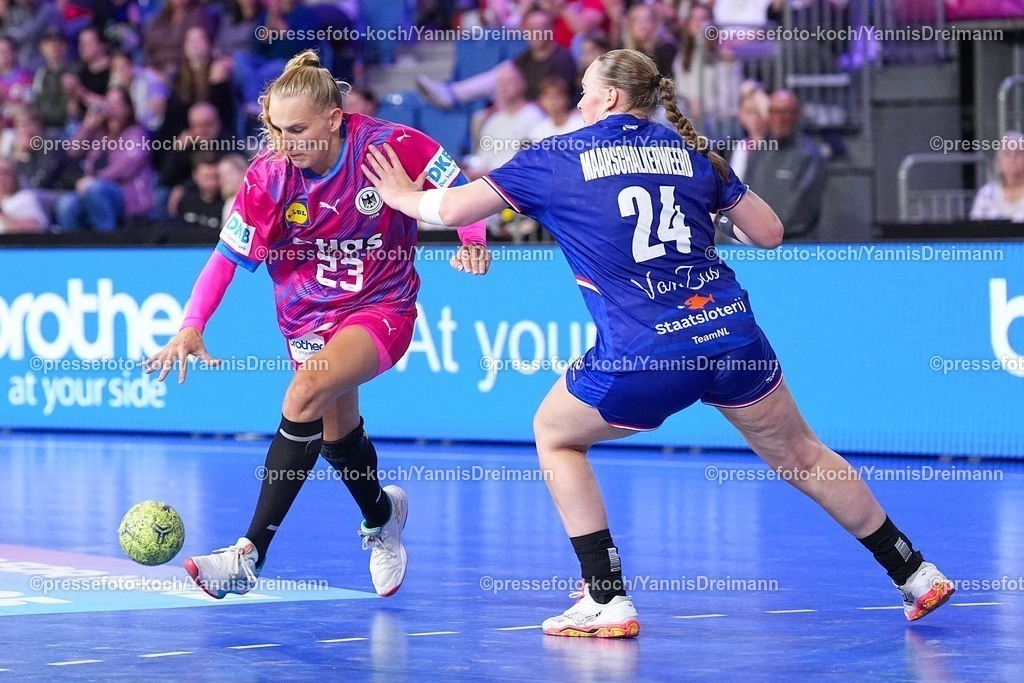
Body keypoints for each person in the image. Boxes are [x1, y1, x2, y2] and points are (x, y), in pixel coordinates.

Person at [361, 48, 955, 637]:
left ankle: (606, 596)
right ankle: (914, 571)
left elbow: (451, 207)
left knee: (556, 434)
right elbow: (770, 234)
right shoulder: (694, 153)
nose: (580, 100)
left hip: (647, 351)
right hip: (730, 334)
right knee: (802, 454)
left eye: (586, 90)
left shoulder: (555, 156)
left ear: (612, 98)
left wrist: (399, 197)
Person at [143, 51, 491, 600]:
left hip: (382, 306)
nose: (287, 142)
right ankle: (384, 517)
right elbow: (225, 259)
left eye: (299, 130)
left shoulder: (386, 145)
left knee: (304, 391)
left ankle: (247, 553)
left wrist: (472, 238)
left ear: (334, 116)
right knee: (337, 436)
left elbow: (456, 184)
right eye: (278, 130)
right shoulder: (270, 176)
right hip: (306, 318)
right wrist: (192, 324)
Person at [744, 89, 827, 241]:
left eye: (786, 112)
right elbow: (745, 197)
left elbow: (800, 212)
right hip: (757, 249)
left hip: (797, 250)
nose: (779, 118)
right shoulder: (759, 154)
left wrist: (759, 227)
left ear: (797, 114)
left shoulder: (810, 156)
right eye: (775, 112)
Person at [970, 131, 1024, 222]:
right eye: (1007, 153)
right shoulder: (986, 193)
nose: (1013, 157)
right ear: (999, 161)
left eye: (1019, 153)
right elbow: (975, 229)